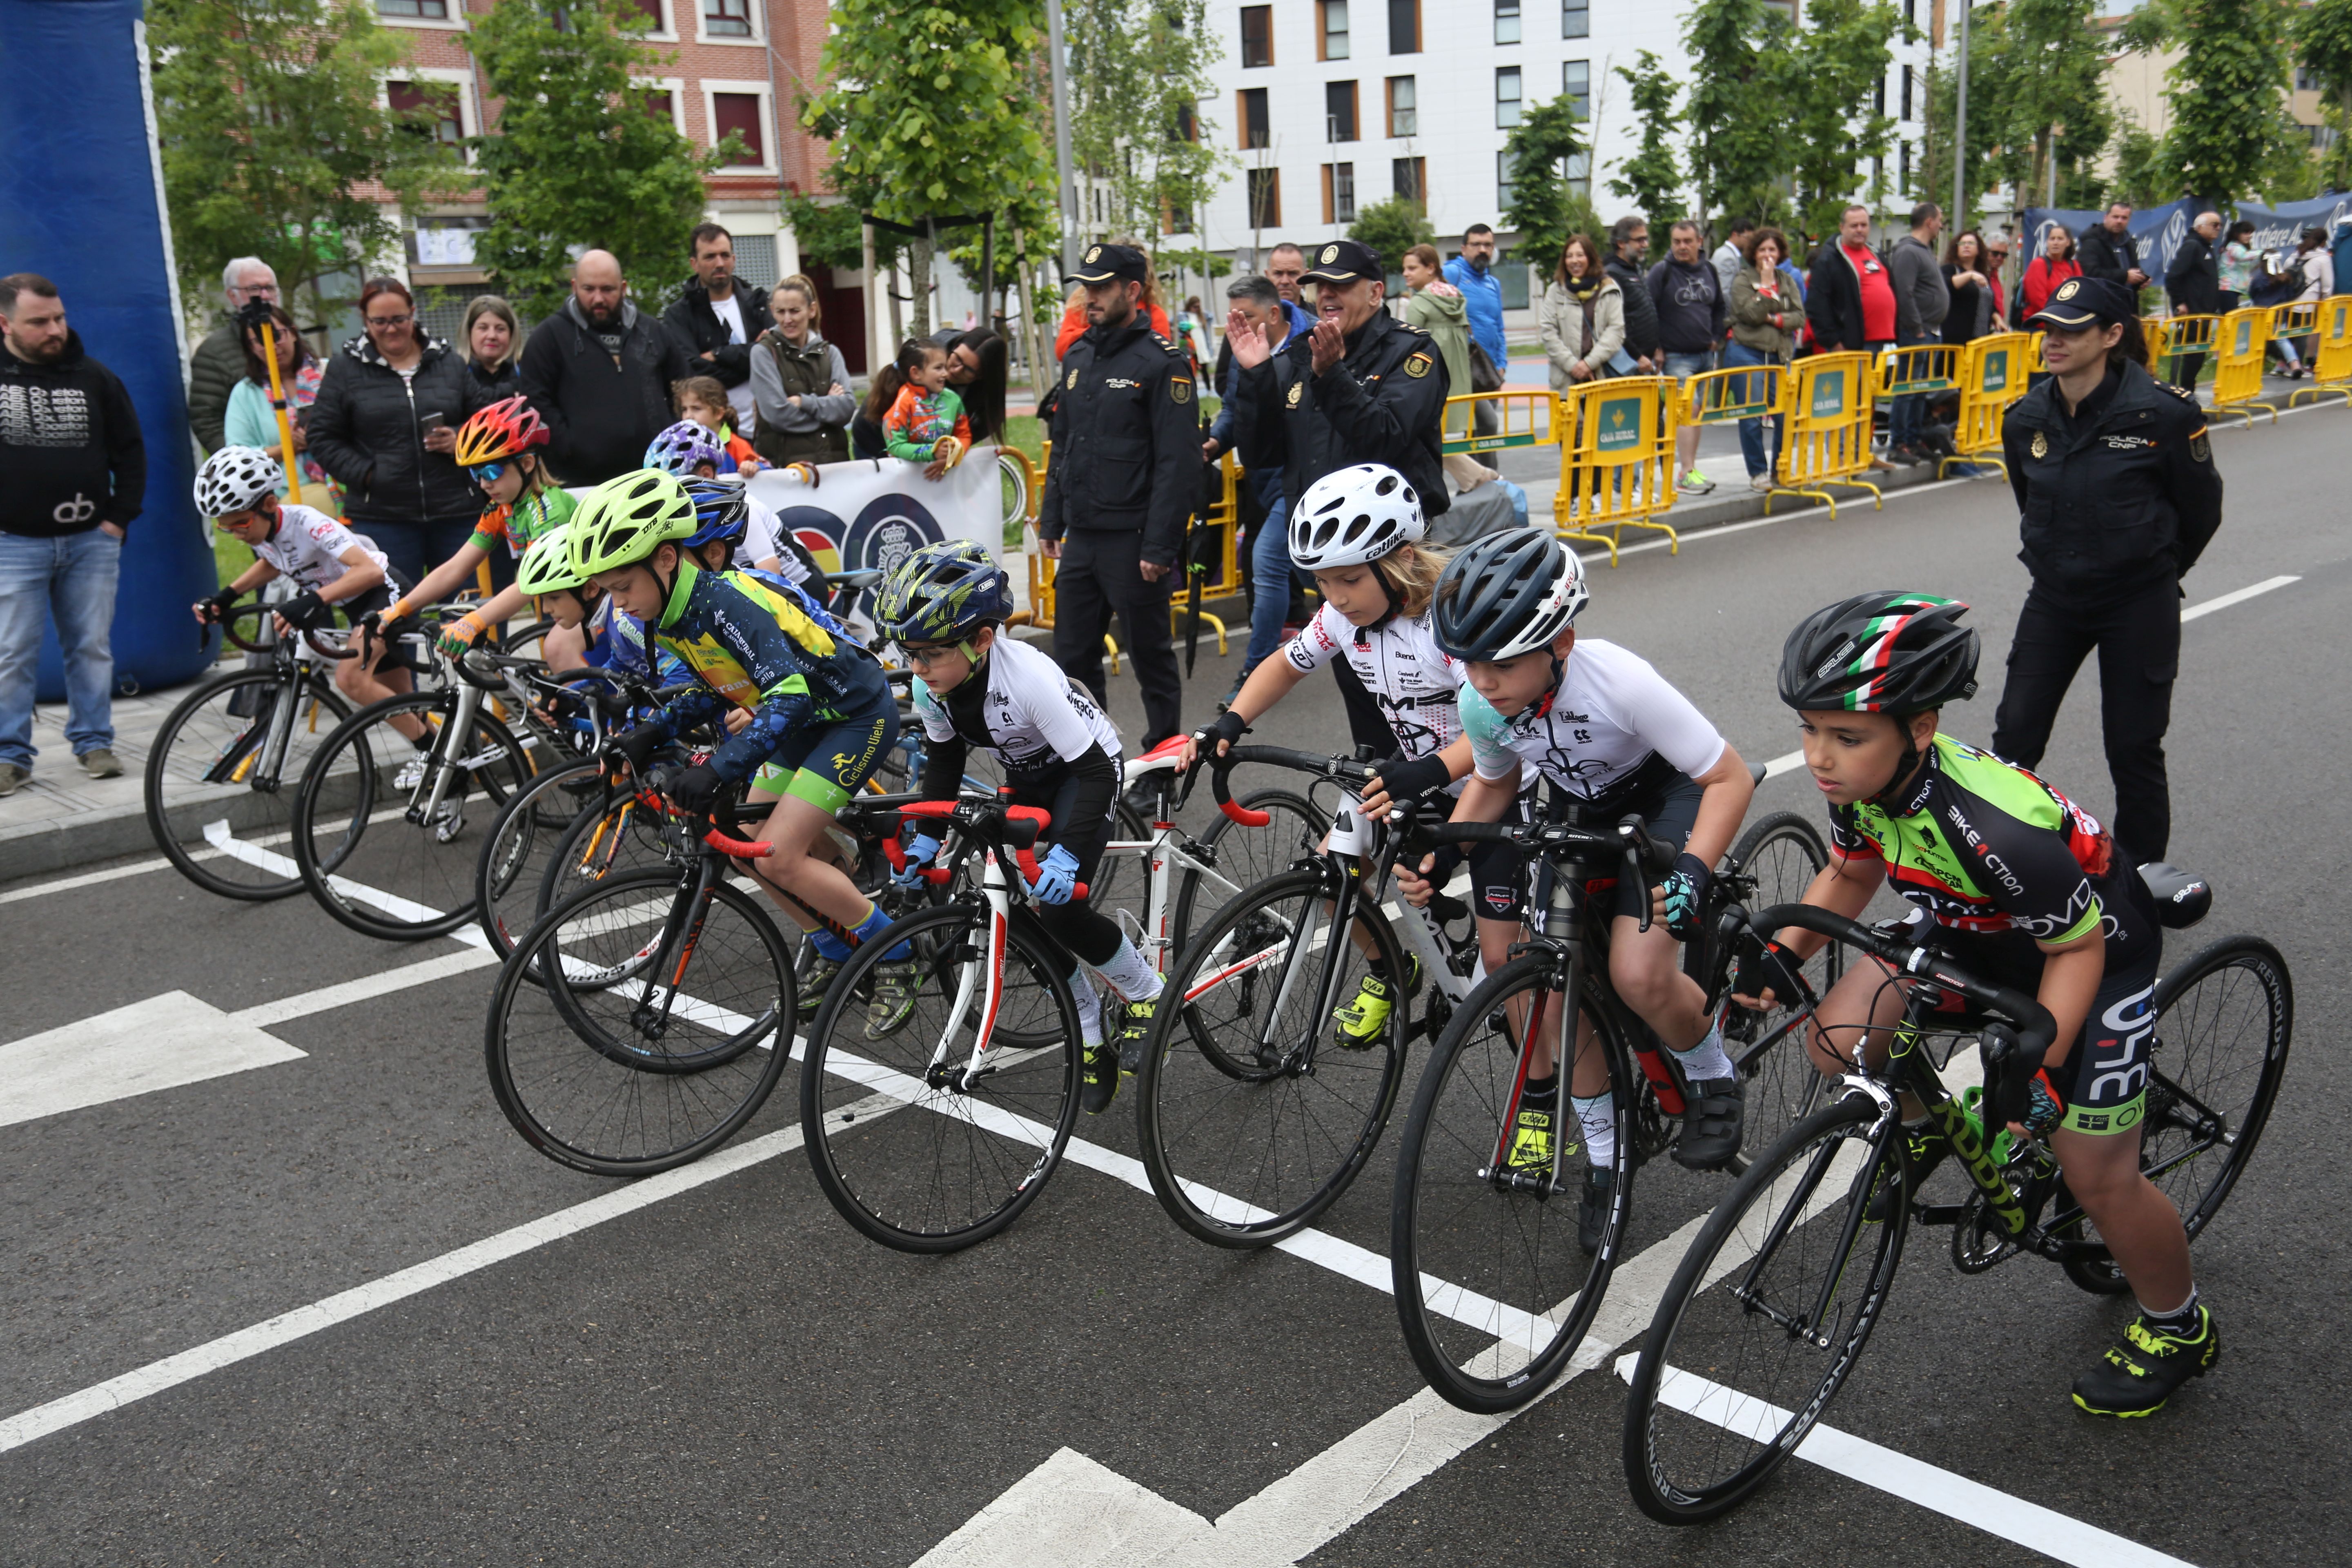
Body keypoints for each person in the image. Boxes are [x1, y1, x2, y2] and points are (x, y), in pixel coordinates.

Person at [1753, 592, 2216, 1419]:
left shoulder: (1996, 829)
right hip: (1970, 921)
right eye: (1809, 730)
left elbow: (2073, 953)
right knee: (1836, 1040)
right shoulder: (1865, 779)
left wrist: (2032, 1066)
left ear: (1920, 729)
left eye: (1845, 736)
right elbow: (1854, 872)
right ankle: (1948, 1120)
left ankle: (2179, 1326)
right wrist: (1779, 956)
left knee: (2097, 1175)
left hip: (2090, 949)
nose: (1820, 757)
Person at [1396, 529, 1757, 1250]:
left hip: (1663, 799)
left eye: (1500, 662)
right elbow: (1495, 785)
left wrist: (1693, 870)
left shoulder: (1619, 681)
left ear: (1559, 644)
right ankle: (1605, 1160)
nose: (1481, 679)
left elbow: (1730, 777)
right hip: (1576, 806)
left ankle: (1712, 1074)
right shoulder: (1481, 703)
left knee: (1636, 972)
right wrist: (1447, 852)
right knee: (1557, 1002)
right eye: (1469, 662)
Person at [576, 469, 911, 1032]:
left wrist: (722, 767)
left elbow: (790, 696)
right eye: (609, 591)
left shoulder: (725, 601)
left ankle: (898, 955)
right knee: (742, 848)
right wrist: (650, 734)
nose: (619, 604)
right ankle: (834, 952)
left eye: (622, 587)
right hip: (805, 719)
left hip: (853, 715)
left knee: (778, 854)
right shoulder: (670, 609)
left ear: (664, 560)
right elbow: (718, 687)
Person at [1187, 464, 1469, 1049]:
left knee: (1498, 953)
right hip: (1414, 773)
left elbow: (1501, 731)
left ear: (1404, 561)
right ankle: (1393, 972)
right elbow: (1287, 663)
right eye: (1322, 582)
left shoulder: (1450, 622)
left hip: (1489, 778)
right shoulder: (1343, 616)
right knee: (1332, 875)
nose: (1335, 598)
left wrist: (1426, 775)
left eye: (1348, 580)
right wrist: (1232, 721)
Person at [878, 539, 1165, 1113]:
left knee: (1059, 907)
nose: (916, 667)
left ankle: (1145, 993)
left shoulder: (1027, 678)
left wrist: (1063, 858)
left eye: (929, 654)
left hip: (1084, 772)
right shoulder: (931, 685)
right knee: (1016, 910)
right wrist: (927, 840)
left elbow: (1090, 770)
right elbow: (944, 762)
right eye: (908, 653)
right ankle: (1087, 1022)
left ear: (981, 641)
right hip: (1028, 776)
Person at [1992, 276, 2221, 866]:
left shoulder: (2164, 414)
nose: (2054, 341)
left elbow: (2200, 510)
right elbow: (2030, 501)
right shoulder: (2025, 419)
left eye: (2072, 329)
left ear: (2112, 335)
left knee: (2134, 747)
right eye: (2048, 328)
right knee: (2014, 739)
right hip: (2056, 597)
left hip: (2137, 601)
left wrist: (2156, 567)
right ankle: (2000, 870)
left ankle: (2142, 884)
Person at [1229, 238, 1451, 758]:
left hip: (1392, 558)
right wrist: (1257, 376)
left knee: (1422, 685)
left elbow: (1386, 435)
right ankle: (1376, 782)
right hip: (1330, 556)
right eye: (1318, 287)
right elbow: (1259, 451)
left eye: (1340, 285)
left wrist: (1333, 377)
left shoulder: (1412, 350)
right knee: (1364, 682)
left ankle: (1444, 781)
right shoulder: (1299, 356)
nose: (1326, 295)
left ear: (1375, 292)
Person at [1038, 243, 1198, 757]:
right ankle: (1095, 756)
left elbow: (1179, 463)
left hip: (1134, 539)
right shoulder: (1080, 355)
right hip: (1083, 535)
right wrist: (1051, 518)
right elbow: (1064, 444)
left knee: (1150, 656)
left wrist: (1160, 545)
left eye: (1102, 287)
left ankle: (1162, 758)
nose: (1091, 298)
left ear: (1132, 290)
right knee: (1071, 659)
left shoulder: (1162, 362)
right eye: (1087, 287)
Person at [0, 273, 144, 794]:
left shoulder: (95, 378)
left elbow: (130, 450)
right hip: (12, 542)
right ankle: (9, 755)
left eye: (59, 317)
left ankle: (94, 743)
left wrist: (117, 520)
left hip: (91, 541)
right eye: (39, 322)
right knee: (12, 650)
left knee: (90, 647)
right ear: (5, 323)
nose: (55, 329)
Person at [191, 447, 412, 714]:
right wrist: (227, 596)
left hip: (385, 594)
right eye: (227, 528)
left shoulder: (309, 523)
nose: (237, 536)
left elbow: (370, 572)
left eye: (241, 525)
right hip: (355, 605)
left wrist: (315, 599)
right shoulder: (263, 531)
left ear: (270, 505)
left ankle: (428, 749)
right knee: (403, 701)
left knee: (350, 679)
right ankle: (443, 744)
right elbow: (273, 562)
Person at [365, 395, 580, 666]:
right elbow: (456, 567)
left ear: (527, 464)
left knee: (558, 651)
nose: (483, 484)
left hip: (598, 603)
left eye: (491, 472)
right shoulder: (500, 509)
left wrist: (473, 623)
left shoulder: (548, 511)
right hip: (565, 602)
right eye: (475, 474)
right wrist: (402, 608)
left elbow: (532, 582)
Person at [303, 276, 477, 590]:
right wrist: (369, 474)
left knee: (469, 614)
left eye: (399, 319)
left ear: (413, 313)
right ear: (365, 320)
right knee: (392, 618)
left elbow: (486, 421)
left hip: (458, 512)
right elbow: (322, 436)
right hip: (382, 518)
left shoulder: (449, 363)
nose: (391, 329)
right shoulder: (345, 370)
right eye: (379, 322)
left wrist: (461, 439)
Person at [1203, 274, 1302, 707]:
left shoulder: (1313, 340)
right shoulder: (1240, 340)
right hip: (1260, 478)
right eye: (1234, 318)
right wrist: (1213, 442)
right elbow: (1231, 407)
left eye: (1248, 316)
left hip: (1301, 478)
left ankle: (1258, 666)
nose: (1239, 326)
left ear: (1274, 313)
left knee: (1267, 562)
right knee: (1289, 569)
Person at [518, 249, 692, 486]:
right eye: (589, 289)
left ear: (623, 288)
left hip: (653, 478)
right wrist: (568, 444)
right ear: (574, 287)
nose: (598, 299)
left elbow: (683, 387)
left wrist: (671, 434)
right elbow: (535, 402)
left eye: (608, 289)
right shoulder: (549, 338)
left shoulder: (653, 332)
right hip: (581, 483)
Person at [661, 224, 773, 437]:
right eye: (710, 257)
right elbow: (691, 372)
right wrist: (752, 358)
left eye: (725, 255)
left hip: (765, 432)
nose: (720, 263)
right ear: (694, 264)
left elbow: (775, 353)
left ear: (734, 259)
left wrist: (719, 355)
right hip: (708, 435)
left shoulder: (758, 302)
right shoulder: (679, 315)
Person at [222, 301, 333, 506]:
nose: (272, 346)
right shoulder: (245, 394)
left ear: (293, 333)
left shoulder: (330, 373)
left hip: (342, 491)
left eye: (277, 336)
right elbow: (238, 462)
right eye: (259, 341)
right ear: (251, 348)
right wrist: (288, 447)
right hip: (285, 502)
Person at [1650, 221, 1728, 494]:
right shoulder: (1662, 272)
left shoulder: (1709, 270)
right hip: (1676, 356)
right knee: (1686, 413)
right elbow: (1650, 311)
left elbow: (1719, 307)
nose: (1682, 247)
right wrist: (1657, 348)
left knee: (1697, 417)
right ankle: (1685, 473)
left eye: (1687, 241)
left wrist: (1717, 337)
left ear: (1700, 241)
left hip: (1705, 355)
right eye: (1677, 242)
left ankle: (1691, 469)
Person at [750, 275, 854, 466]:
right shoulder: (763, 353)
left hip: (835, 468)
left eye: (795, 311)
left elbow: (847, 408)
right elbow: (778, 415)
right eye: (781, 312)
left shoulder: (831, 353)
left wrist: (804, 403)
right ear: (772, 311)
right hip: (788, 473)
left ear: (811, 310)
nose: (787, 319)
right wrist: (828, 410)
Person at [1727, 227, 1800, 492]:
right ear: (1753, 253)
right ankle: (1758, 473)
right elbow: (1752, 315)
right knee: (1753, 414)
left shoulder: (1788, 280)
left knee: (1784, 415)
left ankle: (1780, 469)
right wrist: (1766, 287)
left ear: (1780, 253)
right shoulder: (1743, 280)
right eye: (1762, 250)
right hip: (1747, 352)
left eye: (1773, 249)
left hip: (1778, 356)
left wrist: (1776, 319)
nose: (1768, 255)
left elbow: (1799, 316)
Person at [187, 257, 279, 454]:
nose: (264, 296)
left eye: (270, 288)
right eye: (254, 289)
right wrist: (241, 461)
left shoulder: (296, 341)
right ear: (232, 296)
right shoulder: (214, 352)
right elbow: (206, 420)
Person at [1886, 202, 1949, 466]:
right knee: (1908, 389)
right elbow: (1905, 292)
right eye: (1940, 219)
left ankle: (1913, 440)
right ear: (1929, 222)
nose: (1942, 224)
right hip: (1918, 332)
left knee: (1921, 389)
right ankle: (1899, 442)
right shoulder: (1909, 252)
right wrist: (1916, 328)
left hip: (1930, 331)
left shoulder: (1923, 251)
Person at [1403, 243, 1477, 441]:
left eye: (1412, 268)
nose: (1405, 273)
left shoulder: (1420, 303)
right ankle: (1483, 473)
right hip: (1462, 392)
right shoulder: (1457, 297)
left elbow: (1409, 347)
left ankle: (1480, 474)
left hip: (1433, 391)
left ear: (1431, 268)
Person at [1054, 236, 1174, 356]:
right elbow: (1062, 349)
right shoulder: (1083, 304)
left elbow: (1159, 359)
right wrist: (1099, 334)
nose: (1091, 297)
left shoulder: (1154, 314)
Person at [1539, 234, 1625, 394]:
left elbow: (1616, 331)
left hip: (1601, 378)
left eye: (1580, 255)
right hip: (1566, 381)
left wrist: (1588, 364)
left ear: (1590, 258)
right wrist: (1573, 366)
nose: (1575, 261)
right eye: (1569, 256)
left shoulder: (1608, 289)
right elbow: (1548, 332)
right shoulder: (1555, 291)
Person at [2160, 211, 2223, 388]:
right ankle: (2185, 391)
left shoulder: (2206, 247)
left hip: (2204, 312)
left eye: (2220, 225)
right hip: (2192, 312)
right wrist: (2180, 302)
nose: (2219, 228)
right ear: (2200, 227)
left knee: (2199, 354)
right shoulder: (2193, 246)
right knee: (2192, 354)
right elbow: (2173, 277)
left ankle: (2188, 390)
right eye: (2214, 224)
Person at [1443, 223, 1509, 380]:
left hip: (1489, 372)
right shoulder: (1452, 273)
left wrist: (1502, 365)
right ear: (1464, 249)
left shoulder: (1493, 284)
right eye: (1476, 245)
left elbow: (1499, 328)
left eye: (1488, 245)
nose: (1482, 250)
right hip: (1460, 373)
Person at [672, 375, 765, 477]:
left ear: (718, 413)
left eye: (697, 409)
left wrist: (753, 467)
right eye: (684, 410)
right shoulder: (678, 444)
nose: (689, 416)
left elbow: (767, 470)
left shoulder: (735, 445)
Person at [1605, 217, 1662, 373]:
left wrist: (1656, 347)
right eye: (1640, 240)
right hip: (1629, 365)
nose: (1646, 245)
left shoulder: (1634, 269)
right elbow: (1614, 323)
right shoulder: (1612, 274)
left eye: (1646, 239)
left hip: (1645, 362)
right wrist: (1637, 357)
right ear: (1621, 243)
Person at [941, 327, 1009, 446]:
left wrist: (956, 448)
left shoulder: (986, 391)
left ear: (981, 376)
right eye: (958, 358)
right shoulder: (930, 351)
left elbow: (989, 422)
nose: (957, 370)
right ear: (955, 347)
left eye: (968, 369)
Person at [1941, 229, 2001, 346]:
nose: (1966, 246)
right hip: (1955, 339)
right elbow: (1946, 284)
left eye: (1971, 243)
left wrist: (1997, 319)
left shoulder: (1982, 275)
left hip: (1979, 338)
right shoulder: (1951, 269)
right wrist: (1970, 275)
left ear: (1979, 249)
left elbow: (1987, 302)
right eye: (1962, 244)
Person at [2077, 201, 2149, 293]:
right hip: (2100, 302)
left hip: (2126, 303)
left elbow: (2132, 271)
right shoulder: (2091, 241)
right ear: (2106, 217)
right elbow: (2090, 274)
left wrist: (2140, 279)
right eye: (2116, 217)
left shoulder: (2129, 242)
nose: (2119, 221)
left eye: (2124, 218)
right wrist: (2125, 276)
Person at [461, 295, 523, 401]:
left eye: (500, 329)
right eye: (483, 328)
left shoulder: (528, 370)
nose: (492, 336)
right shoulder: (455, 373)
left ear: (512, 334)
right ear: (469, 332)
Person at [2021, 225, 2082, 320]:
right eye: (2052, 239)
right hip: (2040, 324)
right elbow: (2038, 301)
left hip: (2067, 324)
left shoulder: (2074, 266)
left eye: (2060, 239)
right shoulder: (2039, 264)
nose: (2055, 243)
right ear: (2047, 242)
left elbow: (2080, 295)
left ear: (2068, 243)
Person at [2216, 219, 2261, 315]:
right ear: (2237, 234)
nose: (2249, 236)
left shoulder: (2241, 248)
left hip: (2235, 290)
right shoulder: (2233, 247)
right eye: (2246, 233)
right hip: (2227, 289)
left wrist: (2261, 261)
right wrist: (2263, 253)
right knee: (2230, 320)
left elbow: (2248, 267)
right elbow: (2243, 257)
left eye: (2250, 233)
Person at [1711, 216, 1756, 296]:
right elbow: (1725, 292)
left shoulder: (1725, 253)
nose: (1750, 242)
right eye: (1748, 238)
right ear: (1735, 235)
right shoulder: (1727, 258)